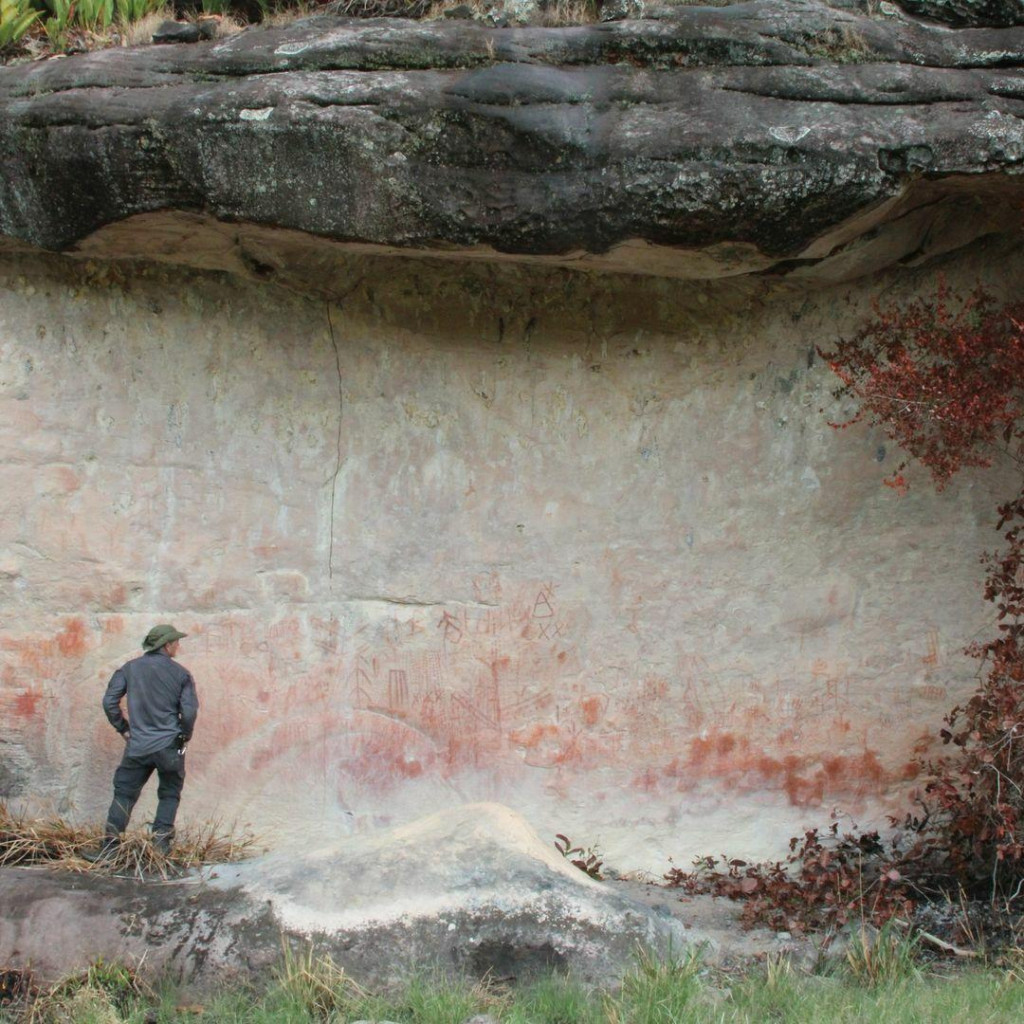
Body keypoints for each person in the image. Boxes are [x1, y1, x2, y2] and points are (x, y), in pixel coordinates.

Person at [91, 624, 199, 859]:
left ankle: (109, 849)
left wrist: (124, 729)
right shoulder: (181, 674)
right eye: (176, 642)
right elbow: (189, 712)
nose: (178, 646)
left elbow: (110, 701)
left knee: (124, 794)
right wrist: (184, 737)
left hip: (137, 745)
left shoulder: (129, 669)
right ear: (167, 645)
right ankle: (160, 848)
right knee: (170, 793)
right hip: (170, 745)